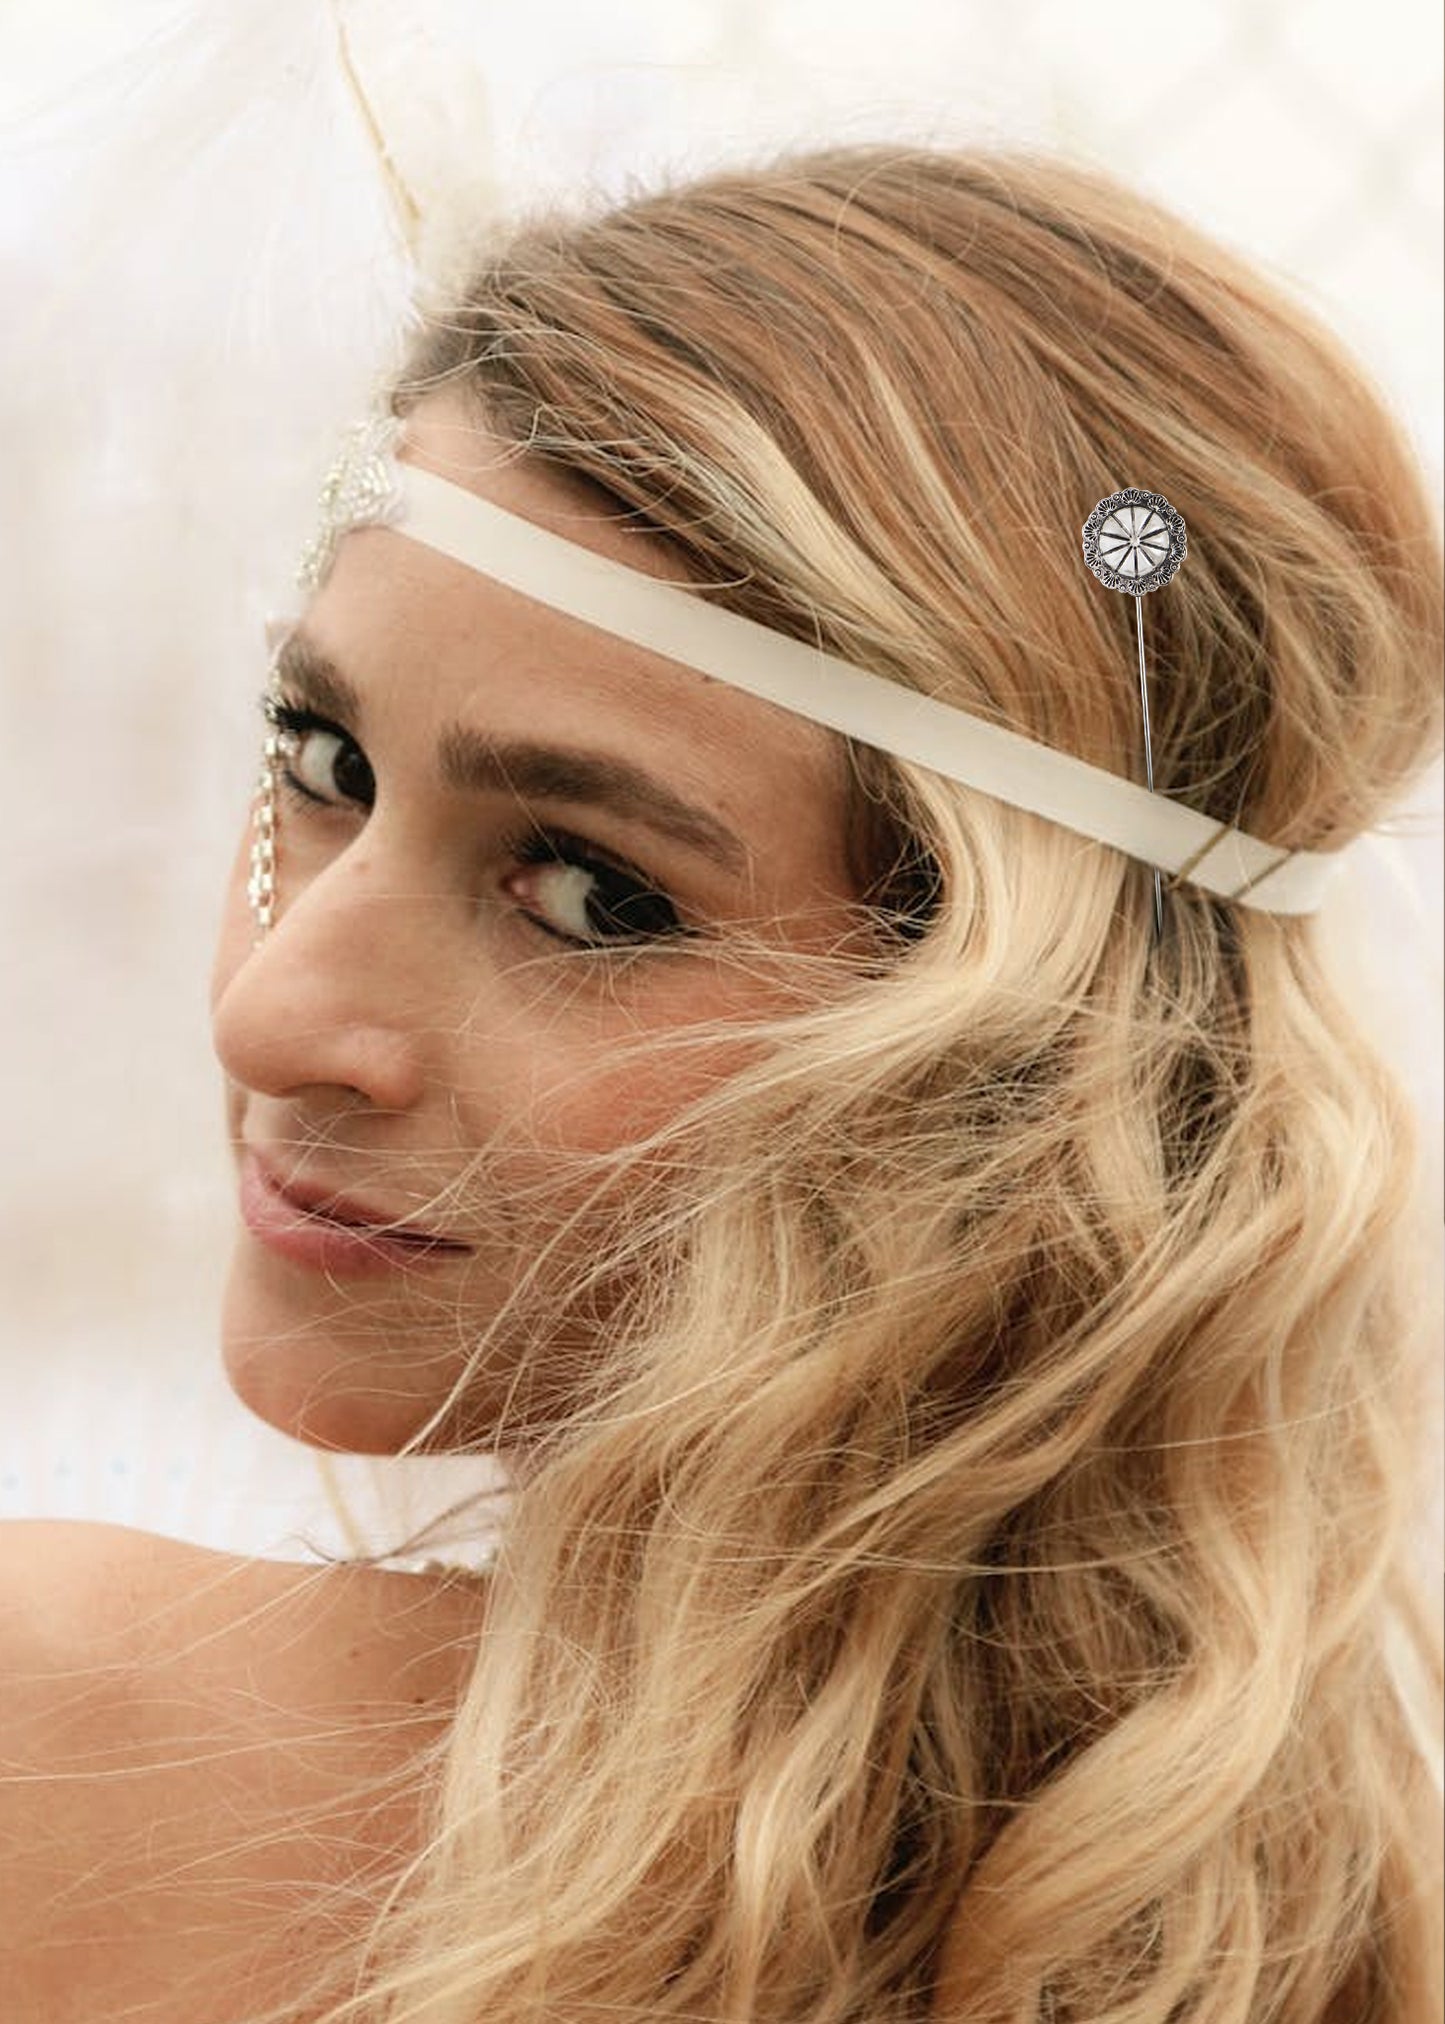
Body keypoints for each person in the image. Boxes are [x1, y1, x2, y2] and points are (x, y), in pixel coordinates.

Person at [3, 142, 1441, 2024]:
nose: (274, 1016)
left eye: (593, 895)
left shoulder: (74, 1750)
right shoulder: (1295, 1927)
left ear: (1019, 1074)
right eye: (325, 763)